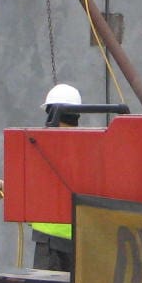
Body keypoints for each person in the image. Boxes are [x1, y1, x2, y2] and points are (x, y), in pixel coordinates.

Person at [30, 83, 82, 271]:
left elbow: (37, 186)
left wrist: (8, 188)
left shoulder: (44, 145)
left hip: (50, 242)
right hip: (84, 240)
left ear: (51, 112)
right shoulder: (88, 145)